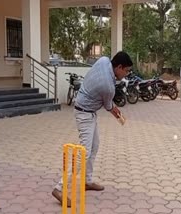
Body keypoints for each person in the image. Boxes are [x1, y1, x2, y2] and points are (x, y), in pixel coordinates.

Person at [52, 51, 133, 206]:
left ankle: (87, 181)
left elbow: (106, 102)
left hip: (88, 110)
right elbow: (109, 106)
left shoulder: (103, 60)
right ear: (119, 67)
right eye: (126, 70)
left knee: (94, 146)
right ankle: (59, 188)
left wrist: (111, 107)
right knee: (84, 153)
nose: (126, 74)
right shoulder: (108, 86)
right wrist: (116, 112)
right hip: (84, 115)